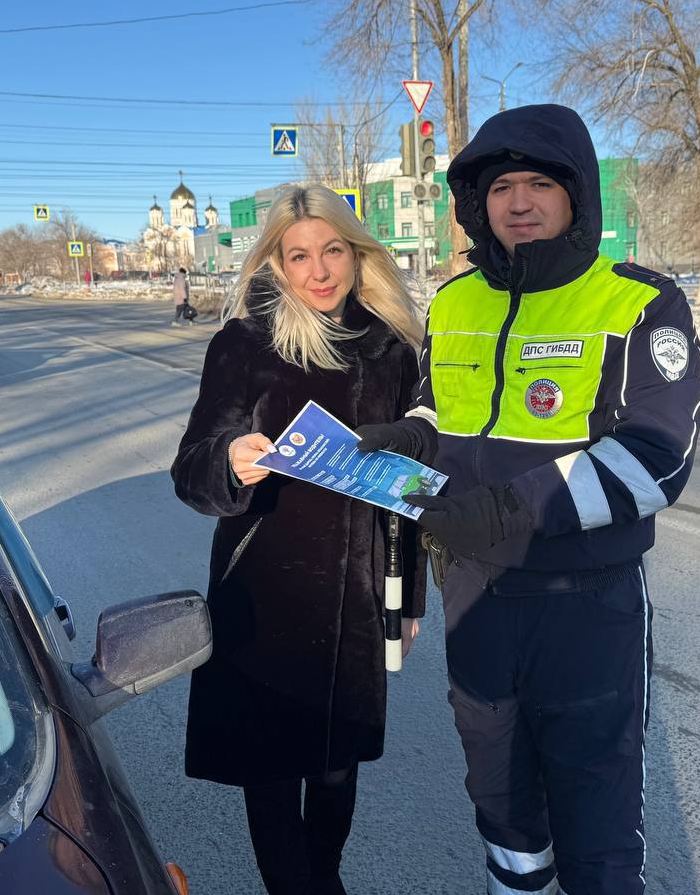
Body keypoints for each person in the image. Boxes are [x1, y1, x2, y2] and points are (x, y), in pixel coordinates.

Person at [357, 104, 700, 895]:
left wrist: (503, 511)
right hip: (476, 599)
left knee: (597, 816)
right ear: (476, 203)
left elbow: (655, 460)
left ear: (576, 194)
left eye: (540, 184)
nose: (518, 202)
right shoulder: (455, 302)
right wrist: (407, 436)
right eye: (500, 187)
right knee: (501, 801)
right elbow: (441, 410)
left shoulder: (638, 303)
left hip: (585, 605)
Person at [170, 184, 426, 895]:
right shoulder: (246, 345)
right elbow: (191, 470)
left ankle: (325, 877)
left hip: (358, 594)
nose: (319, 271)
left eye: (333, 250)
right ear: (277, 263)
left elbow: (407, 490)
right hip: (267, 593)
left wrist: (406, 602)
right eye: (300, 256)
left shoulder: (392, 350)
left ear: (357, 253)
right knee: (274, 771)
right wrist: (229, 461)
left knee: (339, 769)